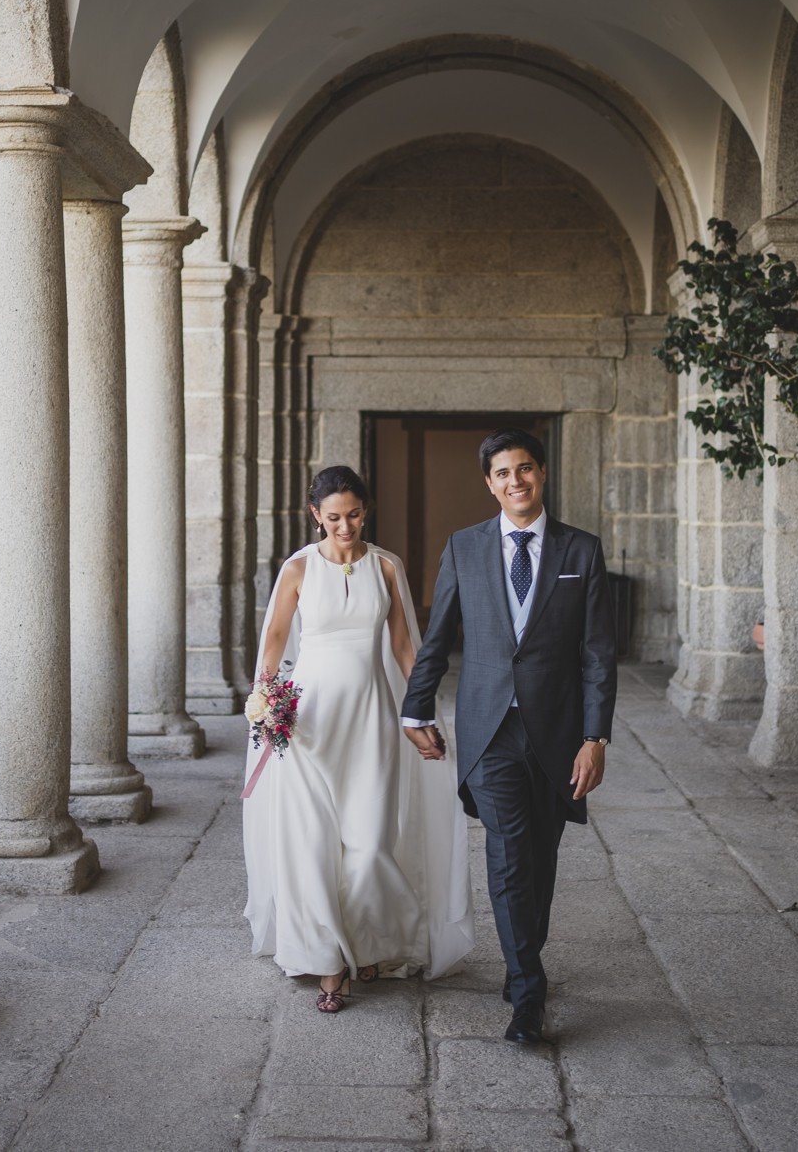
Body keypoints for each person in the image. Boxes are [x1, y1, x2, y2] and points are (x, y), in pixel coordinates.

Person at [400, 429, 617, 1045]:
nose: (514, 480)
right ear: (489, 483)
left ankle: (525, 958)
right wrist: (416, 711)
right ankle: (528, 992)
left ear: (541, 475)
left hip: (557, 733)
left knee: (539, 858)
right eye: (502, 472)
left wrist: (595, 738)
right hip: (489, 728)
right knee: (508, 851)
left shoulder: (581, 551)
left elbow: (598, 653)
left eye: (524, 469)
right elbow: (437, 635)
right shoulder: (464, 548)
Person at [242, 465, 473, 1011]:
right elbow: (274, 640)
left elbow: (403, 647)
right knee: (313, 845)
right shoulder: (298, 569)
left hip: (371, 720)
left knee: (370, 845)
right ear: (315, 516)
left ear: (365, 510)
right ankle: (329, 963)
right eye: (333, 517)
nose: (344, 526)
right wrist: (263, 703)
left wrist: (420, 712)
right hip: (308, 722)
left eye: (353, 514)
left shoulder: (386, 567)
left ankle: (369, 940)